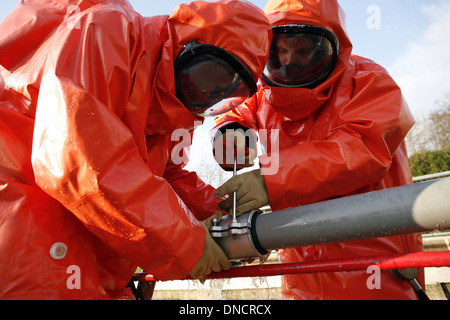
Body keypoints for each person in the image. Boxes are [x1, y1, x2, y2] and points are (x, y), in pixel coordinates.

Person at [0, 0, 271, 299]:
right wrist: (185, 240)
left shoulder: (173, 111)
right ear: (185, 46)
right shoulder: (108, 30)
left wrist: (227, 220)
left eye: (223, 95)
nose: (205, 94)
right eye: (206, 76)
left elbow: (165, 178)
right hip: (31, 240)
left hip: (101, 258)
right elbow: (77, 156)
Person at [212, 0, 423, 300]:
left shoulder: (369, 81)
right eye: (278, 51)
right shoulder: (263, 95)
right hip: (300, 273)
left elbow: (363, 148)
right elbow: (233, 109)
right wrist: (229, 131)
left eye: (302, 51)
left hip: (377, 269)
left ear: (330, 45)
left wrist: (270, 181)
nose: (287, 62)